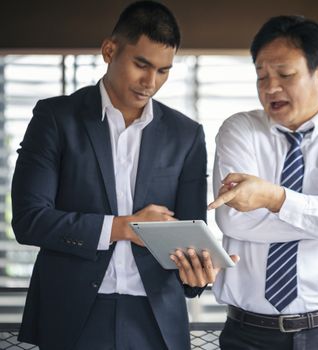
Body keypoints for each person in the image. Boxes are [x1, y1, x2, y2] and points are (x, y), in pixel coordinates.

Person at [11, 2, 224, 349]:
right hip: (73, 317)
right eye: (141, 64)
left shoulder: (187, 135)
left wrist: (198, 273)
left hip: (156, 322)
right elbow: (29, 220)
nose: (150, 82)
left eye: (163, 71)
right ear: (109, 50)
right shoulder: (55, 118)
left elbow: (190, 238)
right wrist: (125, 227)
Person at [207, 15, 318, 349]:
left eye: (284, 74)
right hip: (248, 334)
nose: (270, 86)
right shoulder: (240, 130)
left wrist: (273, 198)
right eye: (261, 75)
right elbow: (233, 220)